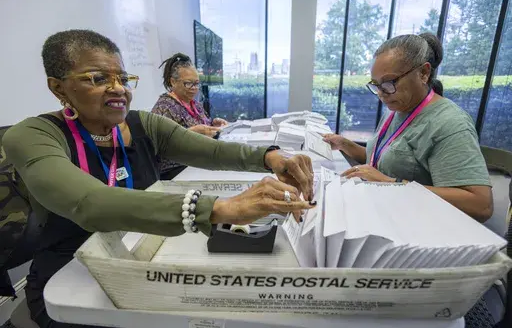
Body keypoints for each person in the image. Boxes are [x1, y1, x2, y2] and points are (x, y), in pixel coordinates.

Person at [3, 29, 315, 328]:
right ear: (58, 88)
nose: (118, 89)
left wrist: (271, 157)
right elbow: (91, 203)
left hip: (143, 261)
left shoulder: (145, 125)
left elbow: (213, 152)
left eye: (123, 78)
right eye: (98, 78)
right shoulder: (32, 136)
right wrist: (219, 209)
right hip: (73, 280)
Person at [323, 32, 493, 222]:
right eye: (376, 85)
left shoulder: (449, 123)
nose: (381, 93)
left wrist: (390, 183)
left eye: (389, 83)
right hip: (385, 213)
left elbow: (481, 205)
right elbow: (386, 160)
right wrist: (345, 144)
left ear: (423, 73)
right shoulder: (396, 109)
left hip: (420, 226)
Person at [152, 53, 229, 179]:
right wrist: (189, 134)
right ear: (173, 82)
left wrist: (213, 123)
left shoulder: (195, 104)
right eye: (188, 83)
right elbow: (158, 147)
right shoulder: (164, 108)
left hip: (200, 165)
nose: (194, 88)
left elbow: (204, 124)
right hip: (177, 173)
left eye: (196, 83)